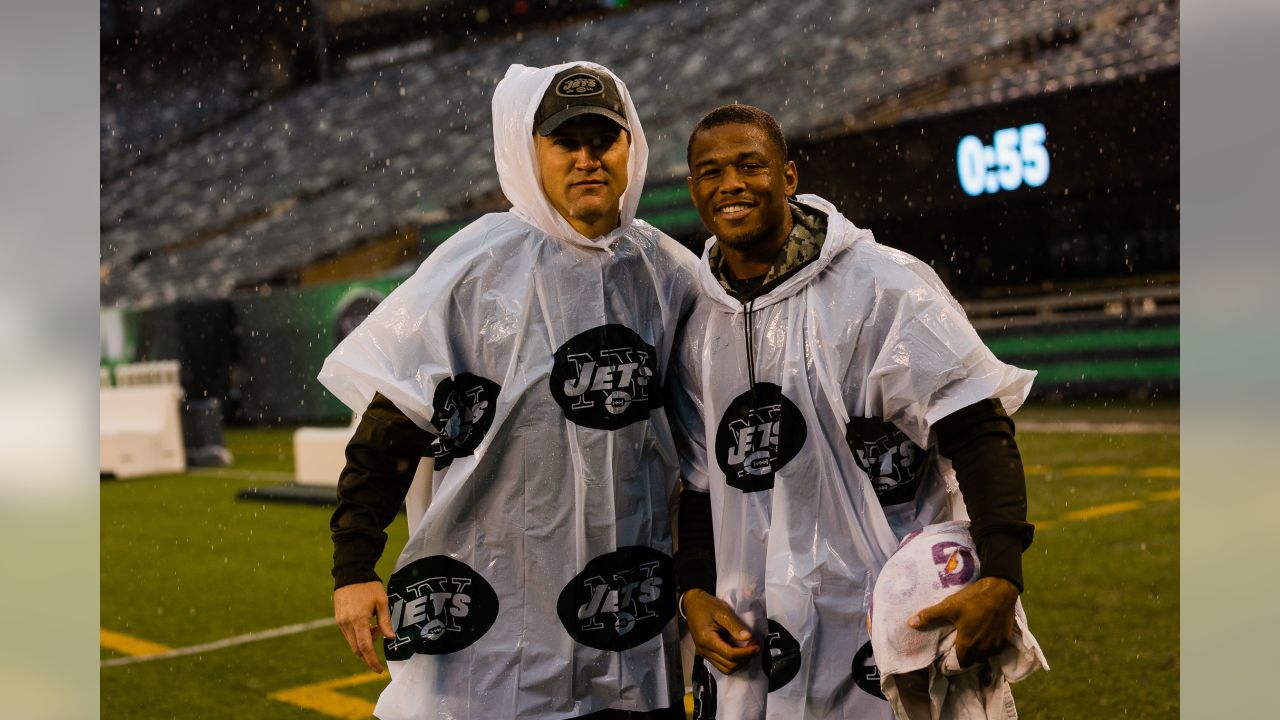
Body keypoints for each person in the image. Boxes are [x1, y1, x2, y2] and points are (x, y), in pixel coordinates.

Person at [317, 62, 698, 719]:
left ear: (629, 146)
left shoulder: (670, 277)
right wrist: (354, 567)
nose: (586, 158)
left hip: (628, 635)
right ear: (531, 151)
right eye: (565, 142)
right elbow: (388, 434)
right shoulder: (471, 273)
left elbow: (704, 458)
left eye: (602, 139)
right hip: (490, 643)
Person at [670, 104, 1037, 718]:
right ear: (693, 191)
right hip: (753, 636)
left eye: (749, 165)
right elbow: (704, 484)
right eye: (710, 172)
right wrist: (694, 591)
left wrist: (1002, 574)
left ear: (789, 177)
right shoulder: (697, 321)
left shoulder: (882, 287)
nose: (730, 183)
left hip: (884, 624)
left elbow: (976, 427)